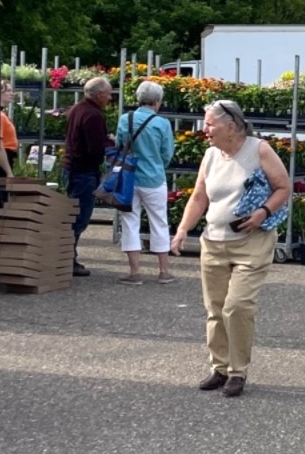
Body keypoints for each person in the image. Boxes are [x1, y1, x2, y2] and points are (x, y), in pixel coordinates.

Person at [170, 100, 291, 398]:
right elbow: (199, 196)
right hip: (213, 242)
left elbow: (284, 187)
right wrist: (183, 229)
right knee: (215, 309)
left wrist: (263, 212)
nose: (205, 129)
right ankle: (220, 367)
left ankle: (238, 371)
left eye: (210, 124)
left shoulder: (259, 149)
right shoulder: (211, 155)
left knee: (237, 306)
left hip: (253, 242)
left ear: (231, 126)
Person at [116, 81, 177, 286]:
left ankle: (134, 272)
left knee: (129, 222)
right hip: (154, 178)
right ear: (157, 101)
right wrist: (158, 164)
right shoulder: (162, 123)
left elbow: (119, 145)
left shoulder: (125, 119)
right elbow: (167, 153)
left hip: (128, 178)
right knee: (159, 222)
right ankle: (163, 271)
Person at [63, 77, 115, 277]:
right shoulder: (93, 115)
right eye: (108, 94)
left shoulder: (77, 109)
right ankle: (68, 259)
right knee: (80, 217)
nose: (110, 98)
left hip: (71, 168)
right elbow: (95, 149)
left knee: (72, 214)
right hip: (83, 171)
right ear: (99, 94)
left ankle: (66, 257)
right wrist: (110, 143)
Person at [0, 86, 20, 179]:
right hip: (3, 158)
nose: (12, 94)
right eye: (8, 91)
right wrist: (8, 172)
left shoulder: (1, 114)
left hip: (6, 157)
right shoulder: (0, 116)